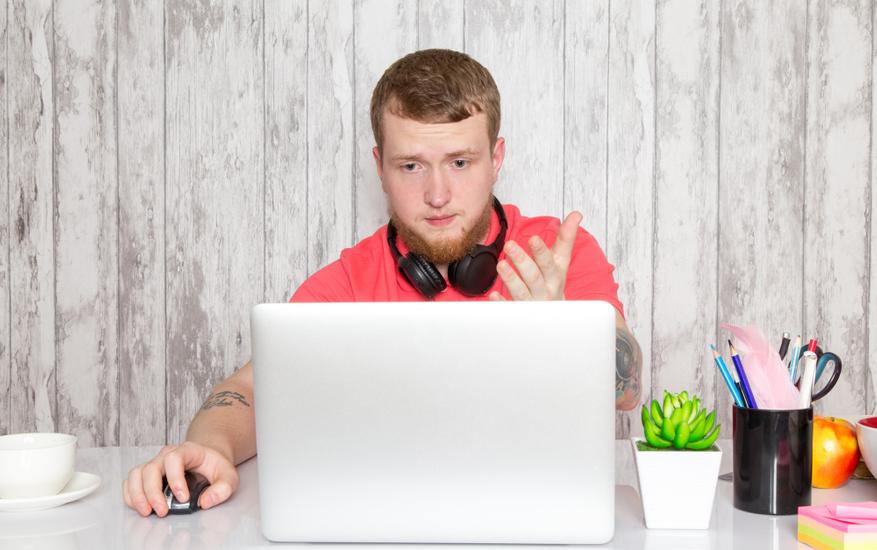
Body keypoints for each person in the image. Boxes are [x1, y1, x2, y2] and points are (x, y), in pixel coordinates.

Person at [123, 49, 643, 518]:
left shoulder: (554, 254)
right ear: (379, 167)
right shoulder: (350, 280)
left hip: (539, 516)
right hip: (388, 529)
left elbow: (628, 391)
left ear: (497, 159)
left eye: (460, 162)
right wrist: (210, 449)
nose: (437, 195)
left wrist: (561, 334)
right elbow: (250, 390)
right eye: (411, 165)